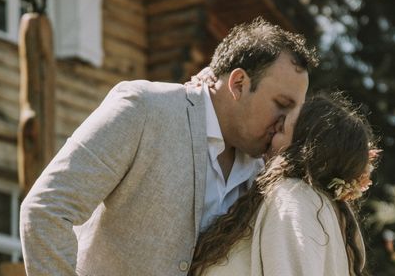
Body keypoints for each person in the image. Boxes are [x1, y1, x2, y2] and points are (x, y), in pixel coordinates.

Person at [19, 17, 319, 275]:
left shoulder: (264, 171)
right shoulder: (144, 108)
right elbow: (46, 210)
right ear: (238, 84)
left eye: (295, 112)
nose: (286, 123)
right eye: (281, 105)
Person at [190, 93, 378, 276]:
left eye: (281, 129)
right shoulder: (323, 207)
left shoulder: (294, 199)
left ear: (303, 149)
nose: (270, 133)